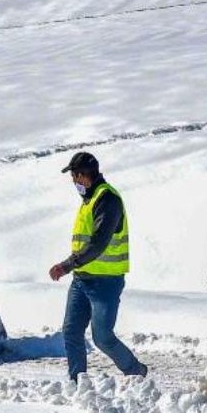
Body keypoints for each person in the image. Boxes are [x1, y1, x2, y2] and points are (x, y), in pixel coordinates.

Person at [48, 151, 148, 380]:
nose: (73, 182)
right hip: (81, 279)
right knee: (71, 331)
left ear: (83, 175)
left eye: (74, 176)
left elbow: (98, 243)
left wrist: (66, 265)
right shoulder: (88, 200)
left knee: (102, 337)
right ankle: (78, 382)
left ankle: (136, 371)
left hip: (105, 282)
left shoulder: (107, 199)